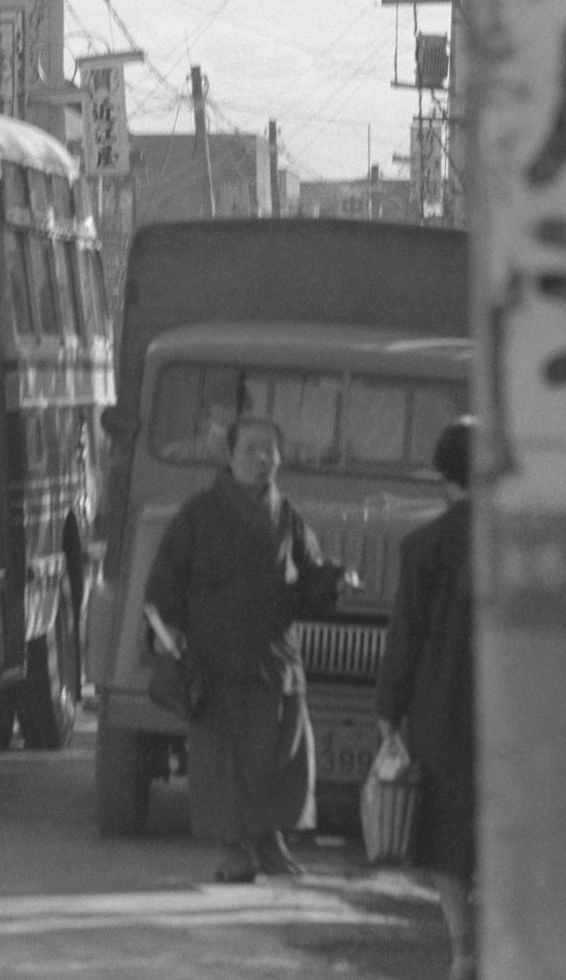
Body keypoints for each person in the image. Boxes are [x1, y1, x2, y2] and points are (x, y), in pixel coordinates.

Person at [143, 416, 350, 882]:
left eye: (270, 450)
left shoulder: (287, 513)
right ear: (229, 457)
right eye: (251, 450)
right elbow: (164, 583)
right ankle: (234, 848)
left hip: (274, 653)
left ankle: (270, 840)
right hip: (216, 657)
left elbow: (309, 571)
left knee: (284, 753)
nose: (262, 459)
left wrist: (332, 579)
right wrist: (166, 630)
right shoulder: (197, 515)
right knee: (223, 760)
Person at [375, 419, 476, 980]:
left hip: (442, 709)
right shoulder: (518, 539)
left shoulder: (424, 547)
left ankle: (463, 948)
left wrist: (389, 715)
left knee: (445, 837)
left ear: (443, 472)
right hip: (512, 710)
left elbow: (405, 637)